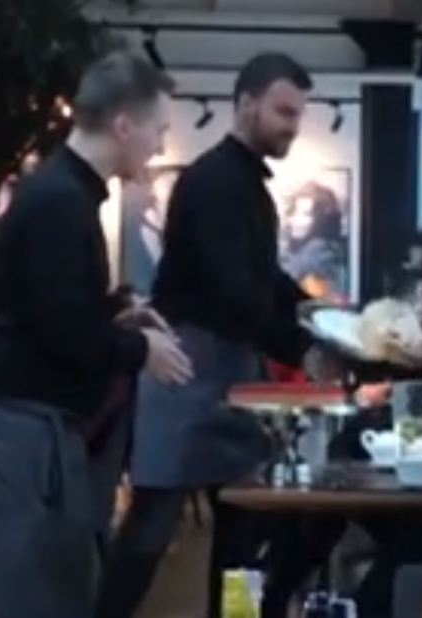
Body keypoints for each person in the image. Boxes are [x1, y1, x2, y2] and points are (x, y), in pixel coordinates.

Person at [0, 50, 193, 618]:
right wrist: (139, 348)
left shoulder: (63, 193)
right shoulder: (60, 202)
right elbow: (62, 333)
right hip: (15, 440)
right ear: (123, 124)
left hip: (25, 434)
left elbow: (53, 313)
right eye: (158, 129)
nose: (159, 146)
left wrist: (118, 316)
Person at [94, 52, 333, 618]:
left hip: (226, 369)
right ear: (246, 104)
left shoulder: (242, 182)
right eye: (283, 112)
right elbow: (233, 290)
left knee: (242, 527)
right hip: (184, 368)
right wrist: (302, 346)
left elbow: (261, 277)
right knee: (152, 527)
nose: (293, 126)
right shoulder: (214, 182)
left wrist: (315, 316)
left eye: (298, 114)